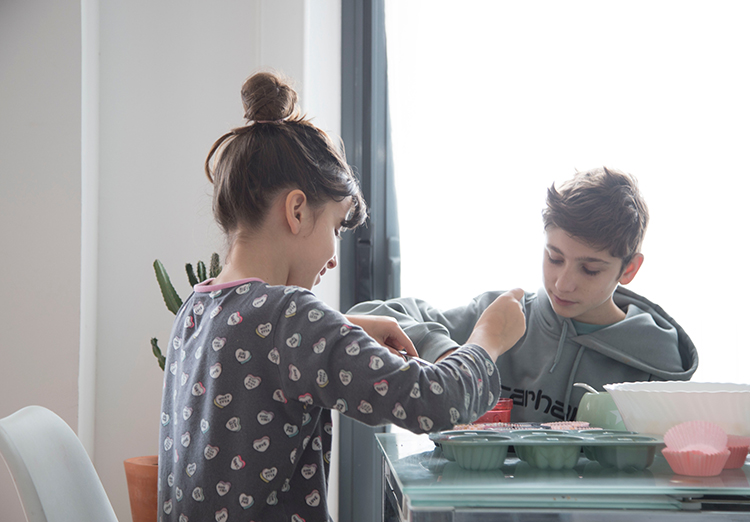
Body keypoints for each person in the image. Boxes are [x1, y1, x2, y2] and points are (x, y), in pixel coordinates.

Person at [157, 71, 527, 522]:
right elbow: (436, 402)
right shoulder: (290, 318)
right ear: (296, 210)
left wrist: (342, 325)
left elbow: (252, 351)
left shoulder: (196, 309)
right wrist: (489, 337)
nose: (334, 257)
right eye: (335, 227)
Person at [348, 167, 698, 423]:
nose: (563, 283)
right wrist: (449, 352)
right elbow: (366, 315)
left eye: (590, 269)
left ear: (629, 269)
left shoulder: (657, 365)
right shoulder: (499, 318)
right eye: (554, 258)